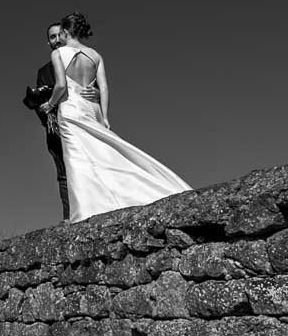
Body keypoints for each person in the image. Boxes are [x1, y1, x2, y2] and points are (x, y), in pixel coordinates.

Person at [38, 12, 191, 222]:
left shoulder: (58, 54)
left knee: (78, 159)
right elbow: (105, 87)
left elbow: (62, 86)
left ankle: (85, 211)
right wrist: (105, 116)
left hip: (71, 108)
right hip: (92, 108)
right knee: (103, 153)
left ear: (65, 32)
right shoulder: (95, 55)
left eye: (60, 34)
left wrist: (50, 104)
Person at [23, 22, 70, 220]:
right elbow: (41, 101)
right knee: (63, 173)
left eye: (60, 35)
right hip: (55, 127)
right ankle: (69, 216)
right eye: (52, 37)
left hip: (79, 121)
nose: (57, 40)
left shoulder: (79, 59)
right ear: (48, 42)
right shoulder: (43, 72)